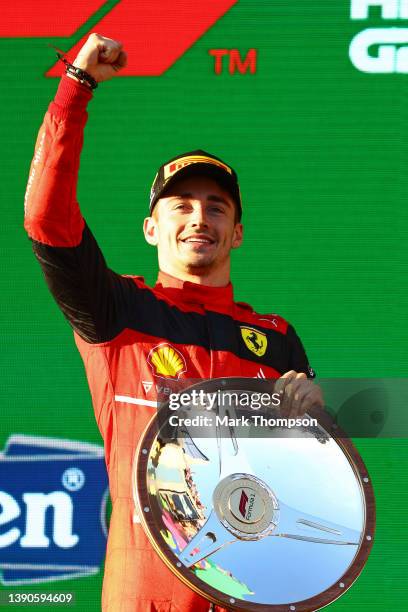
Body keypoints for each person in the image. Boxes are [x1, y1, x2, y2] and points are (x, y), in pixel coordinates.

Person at [24, 34, 323, 612]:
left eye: (216, 206)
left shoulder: (276, 339)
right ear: (150, 228)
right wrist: (74, 90)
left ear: (237, 232)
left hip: (257, 594)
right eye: (180, 205)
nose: (199, 218)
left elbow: (313, 492)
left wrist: (317, 427)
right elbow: (46, 219)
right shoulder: (115, 310)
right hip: (149, 597)